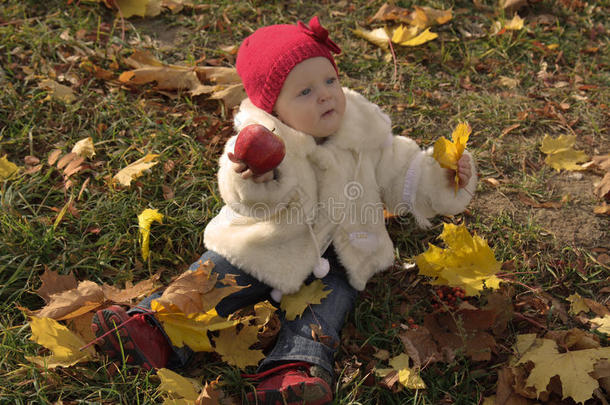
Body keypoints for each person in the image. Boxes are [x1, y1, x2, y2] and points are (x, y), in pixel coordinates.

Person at [91, 16, 476, 405]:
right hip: (265, 243)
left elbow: (402, 174)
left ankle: (294, 370)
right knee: (214, 278)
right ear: (273, 108)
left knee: (326, 308)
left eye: (329, 81)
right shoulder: (266, 142)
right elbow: (241, 194)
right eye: (305, 92)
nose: (326, 95)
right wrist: (254, 177)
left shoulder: (364, 133)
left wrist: (441, 176)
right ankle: (155, 327)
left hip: (342, 251)